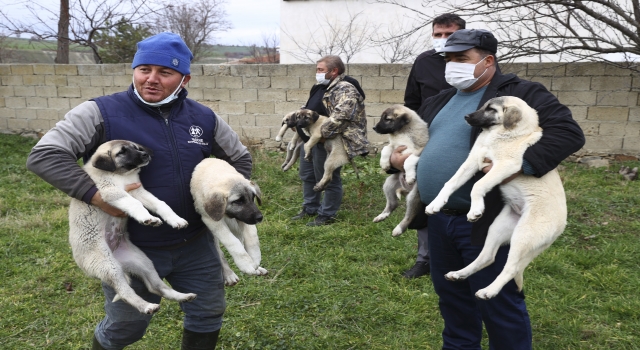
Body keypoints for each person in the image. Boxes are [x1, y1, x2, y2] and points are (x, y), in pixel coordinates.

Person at [26, 32, 252, 350]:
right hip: (130, 246)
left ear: (184, 78)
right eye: (144, 69)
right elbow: (45, 155)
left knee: (207, 314)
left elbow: (240, 157)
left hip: (196, 245)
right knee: (125, 326)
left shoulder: (204, 118)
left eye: (165, 72)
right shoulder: (100, 112)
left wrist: (227, 196)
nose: (151, 79)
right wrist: (96, 197)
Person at [390, 29, 585, 349]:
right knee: (453, 303)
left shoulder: (521, 94)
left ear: (488, 60)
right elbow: (414, 145)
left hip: (488, 218)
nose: (452, 65)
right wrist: (400, 159)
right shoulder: (440, 99)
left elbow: (567, 133)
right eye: (449, 59)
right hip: (440, 220)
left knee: (498, 305)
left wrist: (520, 166)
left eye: (462, 59)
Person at [401, 13, 465, 279]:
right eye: (437, 34)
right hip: (427, 140)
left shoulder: (471, 62)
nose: (442, 40)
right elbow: (411, 104)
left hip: (463, 139)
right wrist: (407, 140)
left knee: (460, 197)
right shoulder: (424, 62)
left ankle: (463, 257)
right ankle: (425, 258)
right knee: (422, 196)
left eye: (448, 35)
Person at [291, 55, 369, 226]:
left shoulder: (345, 89)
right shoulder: (320, 86)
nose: (317, 73)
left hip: (327, 142)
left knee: (327, 178)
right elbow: (309, 107)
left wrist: (321, 136)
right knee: (308, 176)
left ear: (334, 71)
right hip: (310, 141)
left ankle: (327, 214)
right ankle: (310, 207)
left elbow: (342, 116)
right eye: (317, 69)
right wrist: (295, 120)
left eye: (321, 70)